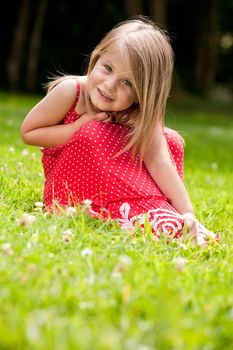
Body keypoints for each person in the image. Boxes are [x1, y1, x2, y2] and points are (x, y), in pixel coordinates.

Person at [20, 16, 217, 244]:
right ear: (96, 58)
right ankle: (136, 214)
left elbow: (159, 161)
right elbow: (29, 132)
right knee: (94, 131)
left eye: (127, 83)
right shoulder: (71, 91)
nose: (110, 85)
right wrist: (76, 127)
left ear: (143, 94)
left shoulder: (141, 112)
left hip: (127, 186)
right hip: (77, 193)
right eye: (108, 68)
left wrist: (188, 214)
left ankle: (164, 213)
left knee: (170, 140)